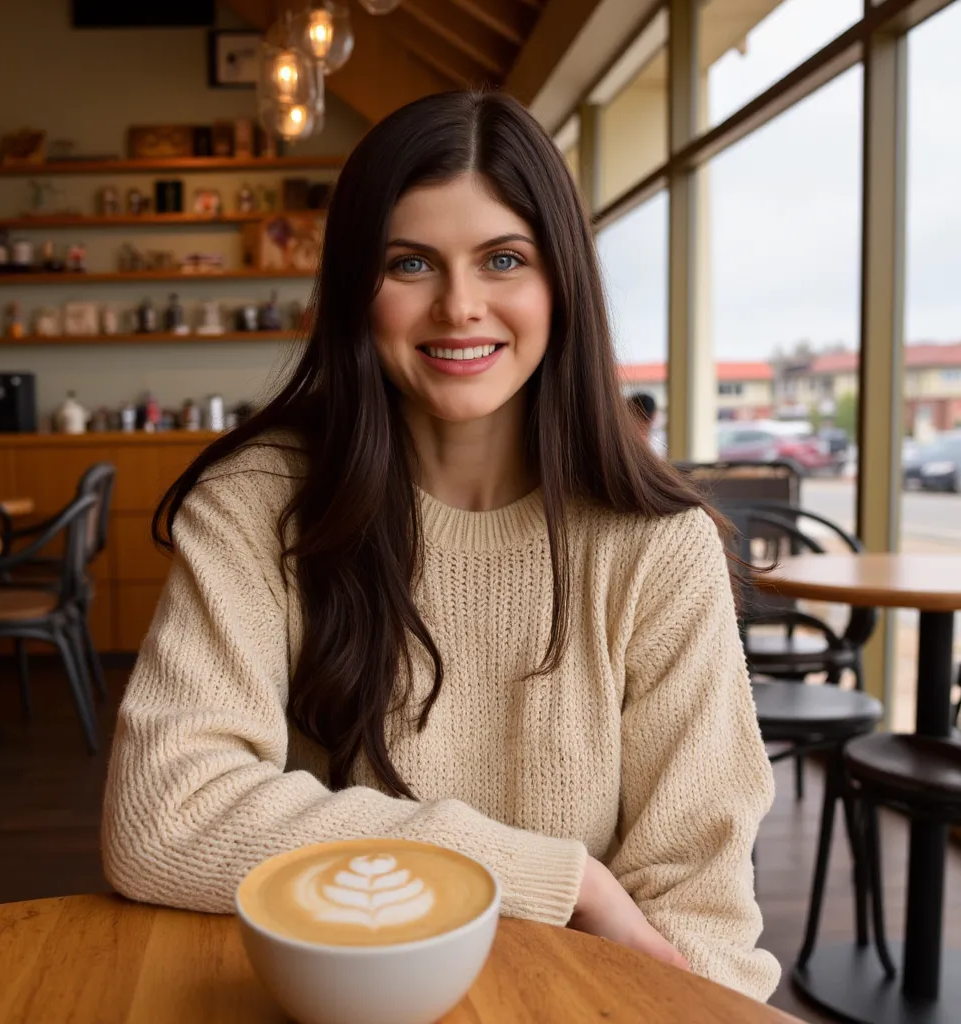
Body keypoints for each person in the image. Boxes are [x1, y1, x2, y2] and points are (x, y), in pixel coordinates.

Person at [102, 91, 779, 1002]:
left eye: (503, 259)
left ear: (560, 283)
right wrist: (558, 878)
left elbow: (697, 928)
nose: (459, 307)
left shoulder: (656, 548)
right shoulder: (260, 504)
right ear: (355, 290)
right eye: (410, 262)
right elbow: (162, 815)